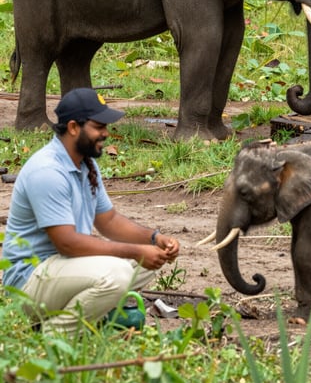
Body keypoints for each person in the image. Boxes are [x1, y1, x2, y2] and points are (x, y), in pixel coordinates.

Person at [1, 88, 180, 335]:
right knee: (117, 274)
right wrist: (135, 251)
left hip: (60, 268)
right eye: (98, 126)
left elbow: (109, 221)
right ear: (74, 127)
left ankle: (82, 316)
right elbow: (67, 244)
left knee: (150, 260)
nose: (106, 133)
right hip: (29, 281)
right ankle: (51, 336)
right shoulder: (48, 171)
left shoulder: (85, 163)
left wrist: (154, 239)